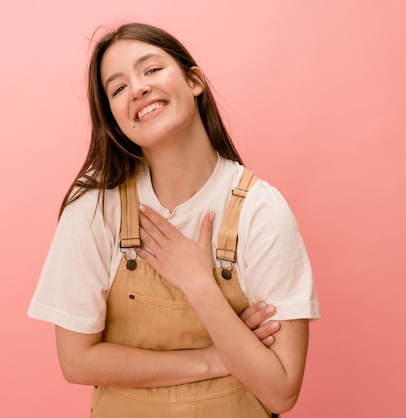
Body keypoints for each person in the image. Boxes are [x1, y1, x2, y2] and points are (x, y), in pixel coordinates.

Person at [28, 22, 320, 417]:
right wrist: (216, 359)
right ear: (114, 119)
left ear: (194, 81)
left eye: (151, 70)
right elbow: (77, 361)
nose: (138, 88)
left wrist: (199, 285)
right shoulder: (96, 207)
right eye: (117, 88)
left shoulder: (261, 211)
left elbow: (281, 391)